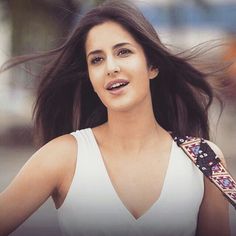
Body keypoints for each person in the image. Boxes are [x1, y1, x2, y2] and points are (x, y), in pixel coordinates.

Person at [0, 0, 231, 235]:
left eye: (123, 52)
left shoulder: (205, 159)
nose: (111, 67)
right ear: (90, 77)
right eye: (97, 59)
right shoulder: (64, 156)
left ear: (152, 65)